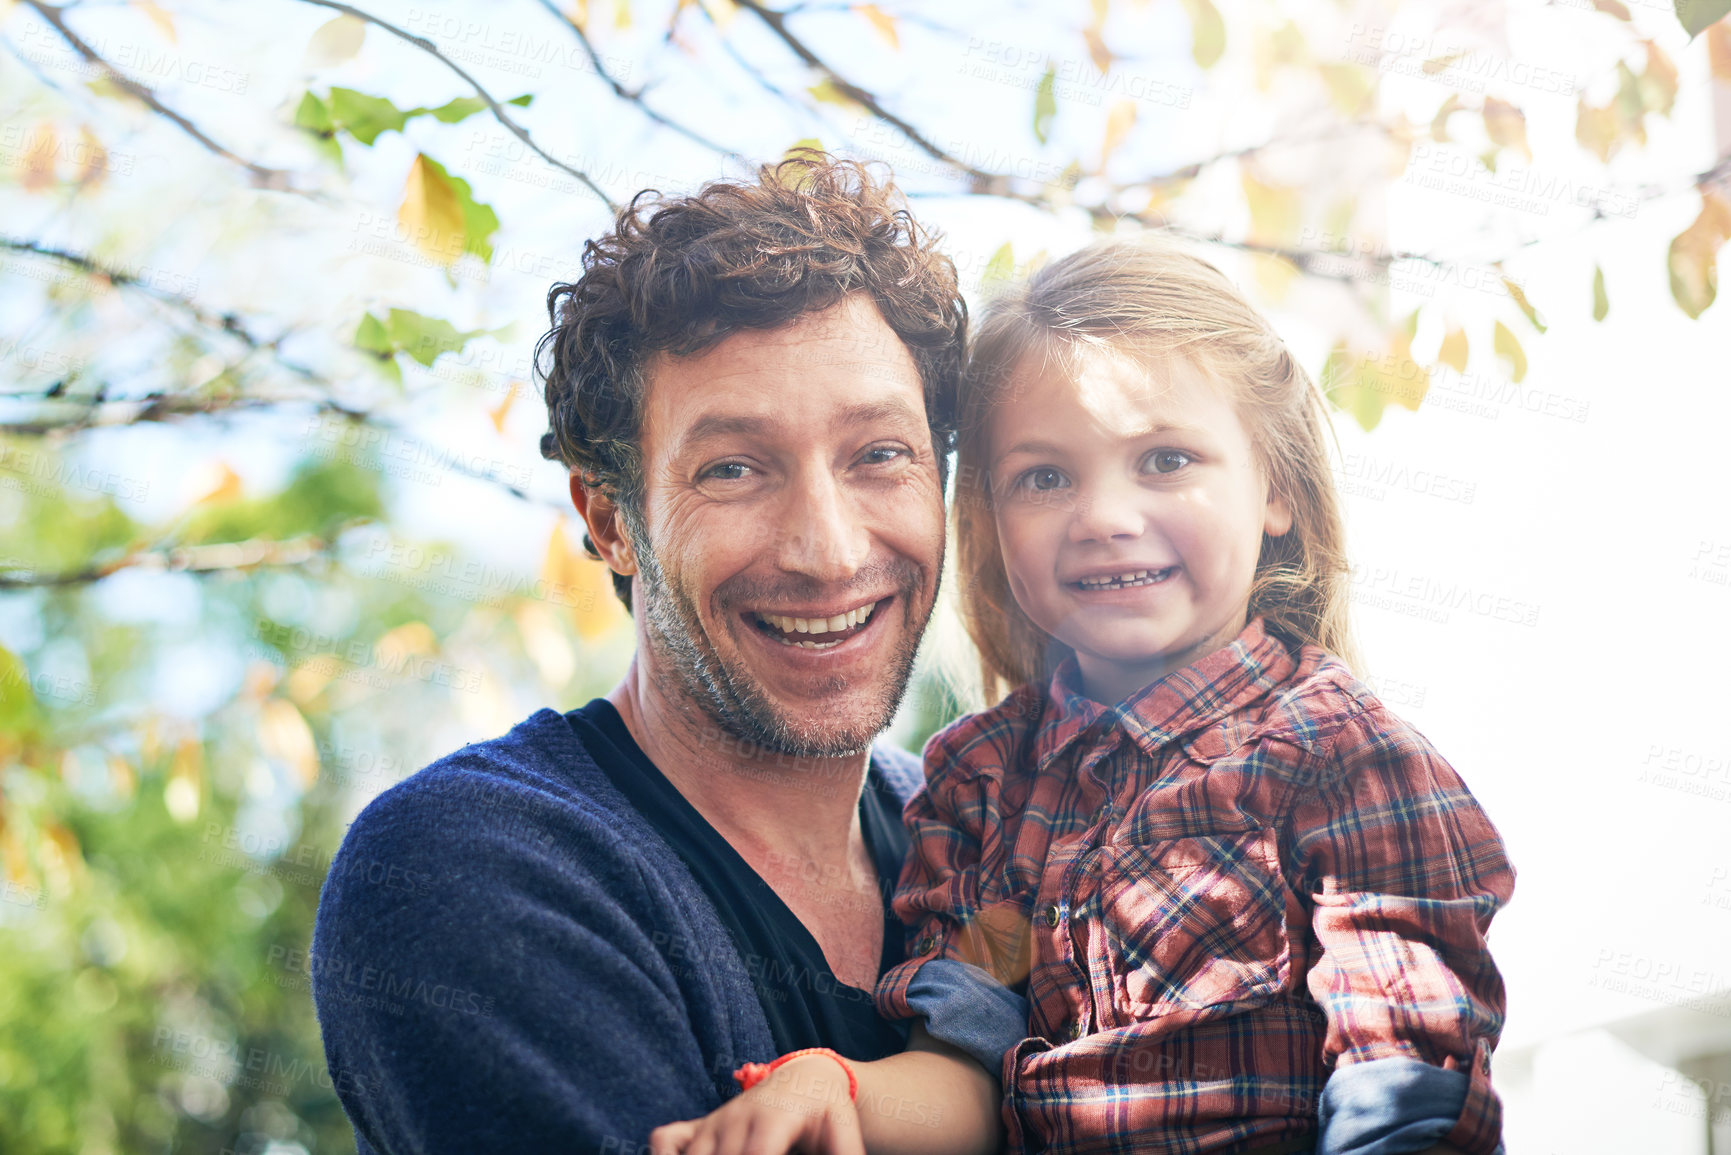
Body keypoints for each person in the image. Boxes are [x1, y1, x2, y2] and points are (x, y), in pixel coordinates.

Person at [651, 238, 1515, 1155]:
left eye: (1166, 459)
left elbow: (1405, 1095)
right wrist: (833, 1086)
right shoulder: (983, 787)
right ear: (987, 519)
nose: (1104, 517)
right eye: (1045, 477)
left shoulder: (1343, 761)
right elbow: (963, 1064)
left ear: (1277, 488)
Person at [310, 154, 978, 1154]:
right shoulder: (477, 872)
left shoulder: (992, 839)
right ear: (612, 519)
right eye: (734, 469)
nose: (829, 550)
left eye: (879, 454)